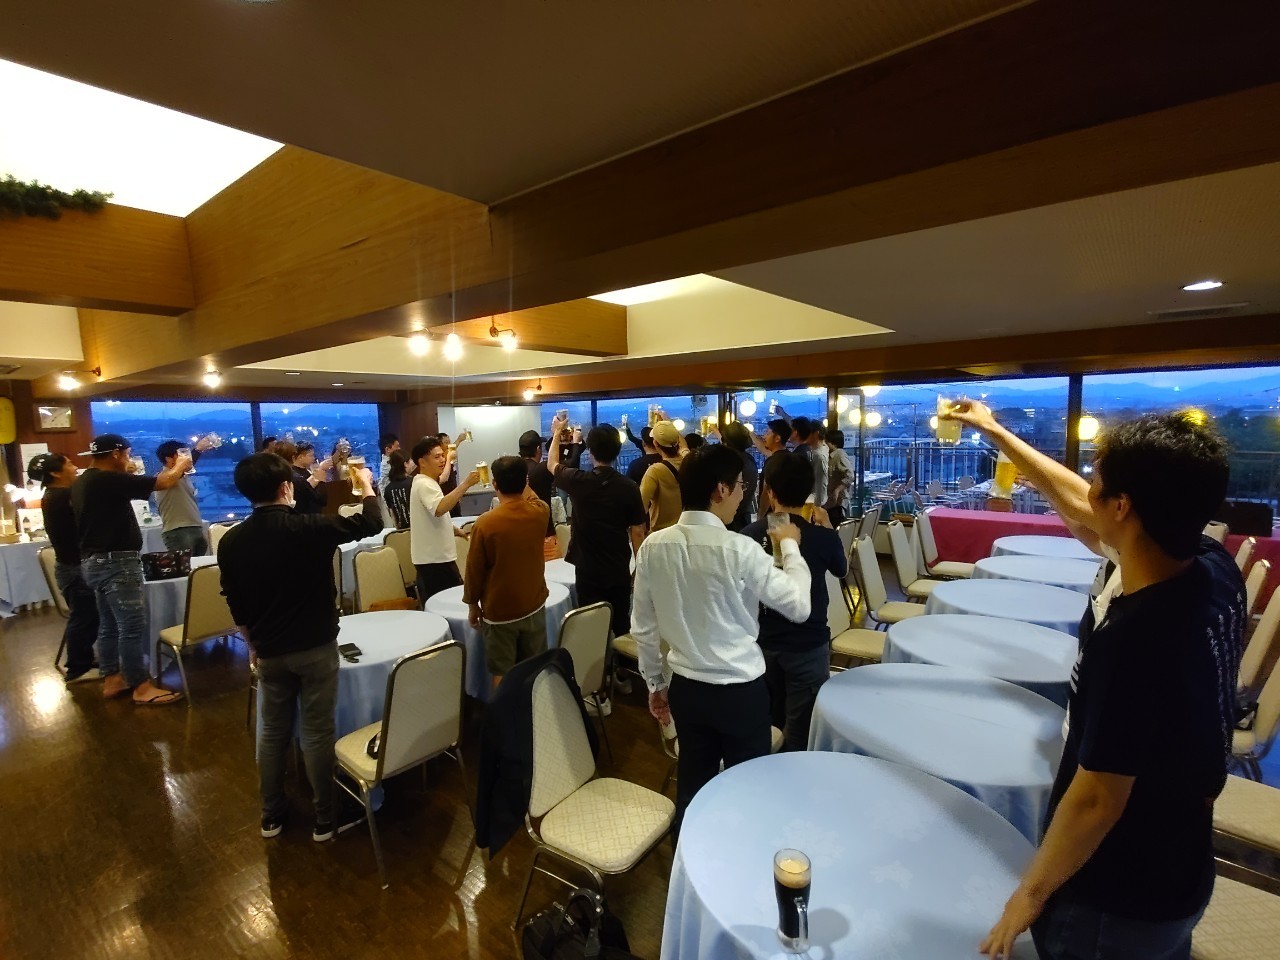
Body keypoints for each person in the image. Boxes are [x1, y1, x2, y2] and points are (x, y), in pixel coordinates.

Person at [943, 403, 1246, 960]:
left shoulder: (1137, 638)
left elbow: (1098, 800)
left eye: (1098, 486)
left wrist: (1030, 895)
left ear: (1123, 507)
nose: (1088, 495)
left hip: (1116, 893)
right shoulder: (1211, 566)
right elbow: (1082, 508)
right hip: (1180, 863)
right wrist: (993, 430)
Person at [632, 444, 811, 834]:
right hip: (739, 693)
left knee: (693, 786)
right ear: (721, 489)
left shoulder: (653, 547)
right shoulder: (739, 548)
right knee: (748, 789)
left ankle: (689, 861)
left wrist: (655, 684)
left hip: (687, 689)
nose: (744, 494)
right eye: (741, 485)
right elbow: (799, 606)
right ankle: (741, 861)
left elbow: (643, 628)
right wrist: (790, 546)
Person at [218, 452, 385, 842]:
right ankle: (326, 818)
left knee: (272, 732)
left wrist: (252, 645)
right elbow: (372, 523)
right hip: (315, 646)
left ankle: (271, 815)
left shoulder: (231, 541)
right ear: (285, 487)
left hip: (269, 650)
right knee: (317, 731)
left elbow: (236, 603)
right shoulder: (308, 527)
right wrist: (366, 486)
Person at [72, 434, 190, 705]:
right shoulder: (108, 479)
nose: (128, 458)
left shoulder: (84, 481)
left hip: (94, 560)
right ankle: (141, 686)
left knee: (109, 625)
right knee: (131, 626)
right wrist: (181, 464)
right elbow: (164, 482)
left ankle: (112, 679)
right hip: (117, 561)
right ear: (116, 454)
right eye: (126, 453)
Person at [740, 452, 846, 751]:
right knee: (803, 730)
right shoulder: (823, 536)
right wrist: (828, 527)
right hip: (808, 644)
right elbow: (841, 570)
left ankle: (767, 769)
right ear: (808, 490)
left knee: (768, 722)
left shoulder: (747, 536)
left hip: (762, 643)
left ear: (769, 491)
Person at [549, 415, 646, 644]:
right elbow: (637, 532)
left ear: (590, 452)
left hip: (587, 567)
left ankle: (596, 663)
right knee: (621, 624)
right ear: (617, 451)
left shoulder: (578, 480)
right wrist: (640, 569)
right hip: (618, 566)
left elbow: (551, 464)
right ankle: (623, 663)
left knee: (591, 624)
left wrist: (557, 433)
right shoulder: (629, 487)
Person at [463, 457, 552, 688]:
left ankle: (504, 712)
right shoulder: (540, 511)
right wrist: (524, 482)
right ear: (525, 481)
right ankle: (534, 708)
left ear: (495, 484)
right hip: (534, 603)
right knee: (535, 669)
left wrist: (472, 605)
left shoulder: (485, 523)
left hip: (500, 611)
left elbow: (474, 570)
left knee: (502, 672)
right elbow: (533, 497)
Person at [30, 452, 100, 684]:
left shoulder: (55, 495)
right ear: (55, 472)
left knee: (88, 615)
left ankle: (85, 659)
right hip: (75, 567)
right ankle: (77, 668)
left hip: (71, 565)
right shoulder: (62, 496)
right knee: (84, 617)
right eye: (69, 463)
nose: (75, 466)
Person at [409, 436, 479, 601]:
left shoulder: (427, 482)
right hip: (434, 560)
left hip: (435, 558)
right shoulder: (424, 484)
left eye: (443, 455)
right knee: (446, 603)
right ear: (422, 462)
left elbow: (431, 516)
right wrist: (465, 484)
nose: (442, 460)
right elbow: (439, 508)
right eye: (436, 457)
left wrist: (453, 529)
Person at [154, 436, 215, 555]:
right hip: (178, 531)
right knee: (185, 566)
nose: (187, 459)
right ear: (169, 459)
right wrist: (198, 450)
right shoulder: (163, 477)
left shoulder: (183, 476)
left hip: (194, 527)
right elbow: (179, 472)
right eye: (182, 455)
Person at [639, 420, 686, 533]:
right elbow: (684, 447)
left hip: (662, 533)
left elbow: (640, 507)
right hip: (686, 529)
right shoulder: (688, 461)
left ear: (655, 443)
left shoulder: (655, 471)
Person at [719, 421, 758, 533]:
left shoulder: (731, 462)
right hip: (744, 519)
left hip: (731, 522)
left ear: (726, 442)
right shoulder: (749, 459)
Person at [520, 429, 556, 536]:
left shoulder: (514, 470)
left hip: (522, 531)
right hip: (544, 530)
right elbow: (559, 464)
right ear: (538, 449)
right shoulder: (542, 469)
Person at [789, 416, 828, 507]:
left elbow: (819, 482)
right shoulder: (816, 451)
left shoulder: (816, 455)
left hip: (812, 504)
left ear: (816, 434)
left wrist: (817, 505)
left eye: (809, 433)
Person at [824, 427, 853, 526]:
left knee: (835, 528)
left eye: (826, 442)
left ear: (833, 443)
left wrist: (838, 489)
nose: (824, 444)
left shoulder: (839, 455)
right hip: (831, 502)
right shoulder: (831, 456)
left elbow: (850, 475)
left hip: (837, 502)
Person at [289, 442, 328, 515]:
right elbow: (320, 499)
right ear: (300, 457)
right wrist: (321, 473)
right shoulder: (296, 476)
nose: (313, 458)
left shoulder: (306, 471)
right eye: (310, 455)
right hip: (306, 515)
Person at [382, 451, 413, 530]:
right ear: (405, 464)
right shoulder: (414, 482)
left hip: (401, 532)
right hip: (418, 530)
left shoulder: (388, 489)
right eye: (410, 460)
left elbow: (393, 516)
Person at [377, 432, 399, 496]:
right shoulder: (386, 464)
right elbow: (406, 470)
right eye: (397, 447)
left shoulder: (390, 460)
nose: (399, 449)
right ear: (388, 449)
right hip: (390, 499)